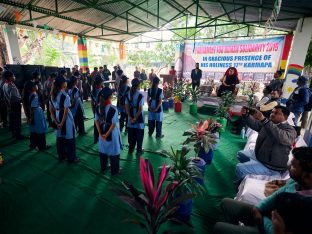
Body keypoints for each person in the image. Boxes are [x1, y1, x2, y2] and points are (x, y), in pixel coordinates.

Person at [213, 147, 312, 234]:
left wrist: (261, 219)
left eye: (294, 166)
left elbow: (278, 230)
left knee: (218, 228)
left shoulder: (305, 205)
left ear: (307, 176)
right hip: (265, 217)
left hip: (268, 228)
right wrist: (258, 208)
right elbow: (275, 196)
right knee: (226, 203)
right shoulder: (294, 182)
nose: (289, 166)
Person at [236, 105, 297, 181]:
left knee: (240, 168)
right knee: (240, 154)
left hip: (271, 166)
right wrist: (246, 115)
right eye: (272, 112)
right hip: (260, 157)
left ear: (285, 117)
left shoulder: (290, 130)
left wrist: (263, 119)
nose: (272, 114)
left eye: (276, 113)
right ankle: (249, 172)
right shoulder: (269, 123)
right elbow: (255, 125)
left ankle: (241, 182)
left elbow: (282, 138)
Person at [49, 76, 79, 163]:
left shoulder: (53, 95)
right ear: (62, 84)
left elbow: (51, 110)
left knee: (60, 138)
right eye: (65, 82)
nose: (66, 83)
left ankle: (61, 156)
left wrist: (55, 120)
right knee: (70, 138)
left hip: (57, 116)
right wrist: (62, 123)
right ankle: (71, 158)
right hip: (65, 119)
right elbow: (66, 112)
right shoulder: (65, 96)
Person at [95, 87, 122, 175]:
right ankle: (115, 171)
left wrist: (100, 133)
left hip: (102, 132)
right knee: (114, 151)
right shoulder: (113, 108)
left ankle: (104, 167)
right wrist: (106, 134)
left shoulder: (98, 107)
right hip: (111, 133)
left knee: (103, 150)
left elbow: (96, 121)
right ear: (110, 96)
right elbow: (113, 124)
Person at [3, 70, 25, 140]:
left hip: (10, 105)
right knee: (17, 120)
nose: (14, 77)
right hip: (15, 104)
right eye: (13, 76)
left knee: (12, 120)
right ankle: (18, 135)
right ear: (9, 77)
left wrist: (9, 106)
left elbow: (5, 96)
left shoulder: (4, 85)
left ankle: (14, 134)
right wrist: (21, 100)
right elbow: (14, 97)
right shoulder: (11, 86)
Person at [28, 82, 51, 151]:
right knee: (40, 129)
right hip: (37, 114)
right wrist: (31, 118)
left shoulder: (31, 94)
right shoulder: (35, 95)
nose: (37, 86)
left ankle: (33, 144)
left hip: (35, 113)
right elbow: (33, 108)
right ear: (33, 87)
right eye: (36, 85)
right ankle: (42, 145)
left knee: (34, 129)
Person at [125, 78, 145, 155]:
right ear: (138, 85)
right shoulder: (140, 95)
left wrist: (130, 117)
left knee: (131, 133)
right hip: (138, 118)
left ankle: (131, 148)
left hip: (130, 117)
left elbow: (126, 107)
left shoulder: (127, 94)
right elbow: (140, 110)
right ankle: (138, 149)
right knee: (139, 133)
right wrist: (135, 118)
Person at [91, 75, 104, 143]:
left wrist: (94, 111)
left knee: (96, 124)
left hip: (96, 109)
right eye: (102, 81)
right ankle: (101, 137)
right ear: (100, 83)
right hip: (101, 109)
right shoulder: (101, 91)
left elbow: (92, 103)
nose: (103, 82)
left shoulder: (93, 90)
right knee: (102, 124)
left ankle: (96, 138)